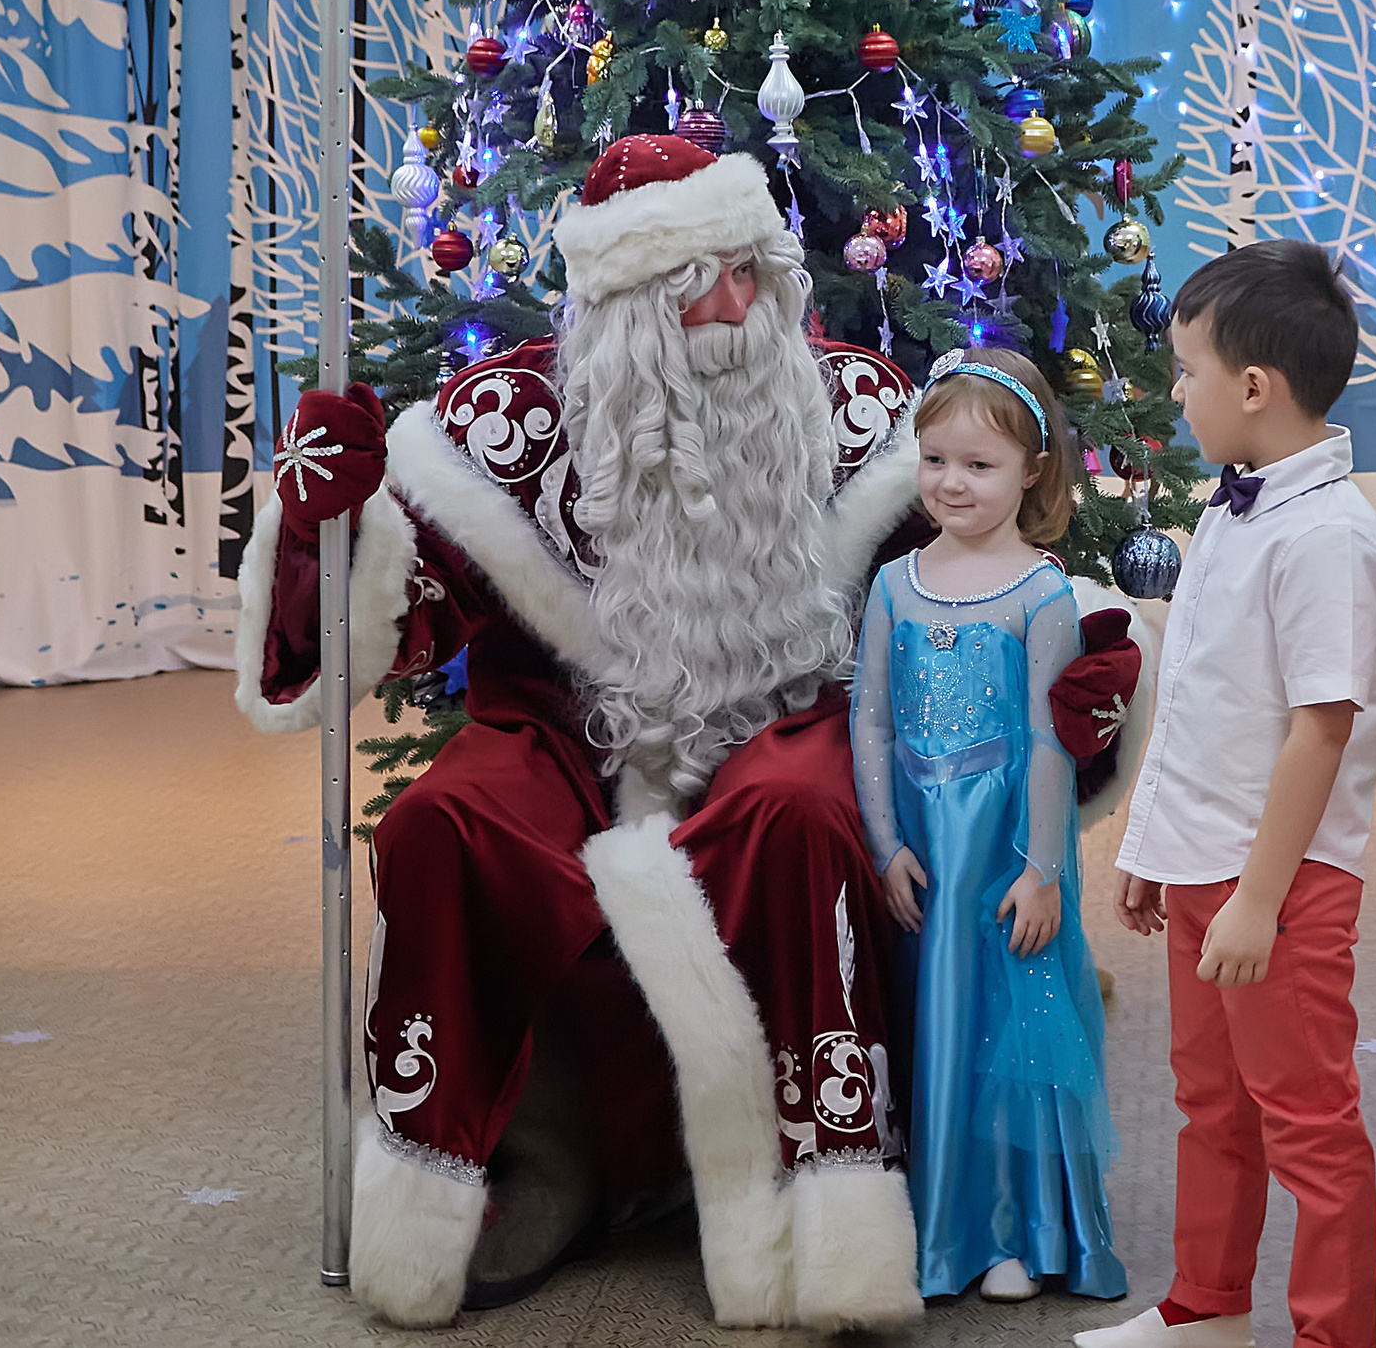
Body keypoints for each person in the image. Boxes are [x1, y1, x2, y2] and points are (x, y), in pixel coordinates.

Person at [236, 134, 1149, 1329]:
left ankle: (821, 1193)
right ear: (619, 309)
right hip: (566, 737)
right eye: (695, 285)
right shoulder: (503, 421)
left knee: (806, 808)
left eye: (751, 271)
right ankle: (496, 1175)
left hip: (795, 718)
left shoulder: (855, 404)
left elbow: (974, 572)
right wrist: (320, 528)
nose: (735, 308)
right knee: (438, 822)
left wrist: (1079, 657)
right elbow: (384, 633)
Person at [1077, 241, 1376, 1348]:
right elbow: (1210, 699)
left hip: (1283, 883)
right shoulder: (1232, 511)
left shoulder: (1330, 538)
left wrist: (1260, 898)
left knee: (1306, 1123)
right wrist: (1149, 845)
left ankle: (1330, 1336)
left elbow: (1320, 730)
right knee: (1211, 1103)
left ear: (1251, 388)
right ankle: (1207, 1308)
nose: (1176, 391)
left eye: (1184, 370)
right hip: (1204, 861)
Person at [852, 346, 1127, 1306]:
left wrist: (1043, 869)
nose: (952, 483)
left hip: (1009, 845)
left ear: (1032, 471)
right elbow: (872, 721)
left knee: (1013, 1030)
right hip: (926, 844)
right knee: (939, 1019)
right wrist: (885, 842)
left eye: (979, 465)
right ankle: (942, 1225)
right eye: (935, 460)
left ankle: (1016, 1227)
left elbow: (1053, 743)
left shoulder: (1040, 592)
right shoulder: (895, 586)